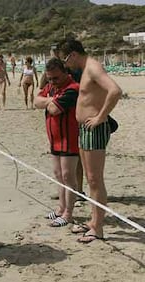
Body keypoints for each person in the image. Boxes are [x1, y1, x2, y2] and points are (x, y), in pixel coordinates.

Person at [58, 39, 122, 243]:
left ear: (73, 55)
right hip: (85, 129)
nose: (66, 65)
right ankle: (93, 222)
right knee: (89, 177)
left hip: (95, 129)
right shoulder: (85, 70)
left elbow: (115, 91)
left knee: (95, 179)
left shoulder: (93, 68)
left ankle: (98, 227)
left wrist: (101, 116)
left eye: (65, 60)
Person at [35, 58, 80, 227]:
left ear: (65, 73)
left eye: (56, 78)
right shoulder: (51, 87)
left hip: (69, 139)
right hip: (54, 139)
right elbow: (36, 101)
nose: (53, 82)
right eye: (50, 79)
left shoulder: (72, 88)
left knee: (69, 176)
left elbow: (54, 109)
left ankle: (68, 213)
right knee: (58, 175)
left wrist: (48, 102)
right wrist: (49, 100)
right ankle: (61, 208)